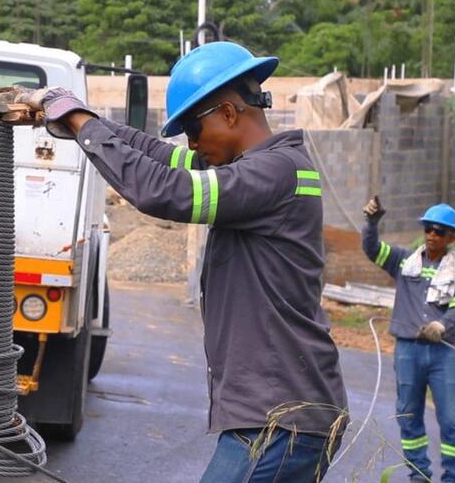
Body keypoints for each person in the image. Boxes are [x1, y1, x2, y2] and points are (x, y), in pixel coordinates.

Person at [20, 42, 348, 482]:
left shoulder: (275, 172)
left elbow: (164, 190)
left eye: (194, 128)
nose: (191, 144)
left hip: (281, 417)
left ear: (229, 114)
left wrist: (81, 124)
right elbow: (157, 154)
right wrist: (81, 120)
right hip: (276, 414)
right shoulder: (256, 167)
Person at [362, 197, 455, 483]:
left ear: (452, 236)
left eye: (439, 231)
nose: (432, 235)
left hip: (441, 354)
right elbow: (372, 249)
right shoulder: (403, 262)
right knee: (408, 416)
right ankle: (419, 474)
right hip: (407, 351)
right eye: (428, 229)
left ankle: (454, 478)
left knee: (451, 419)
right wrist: (372, 223)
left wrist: (442, 325)